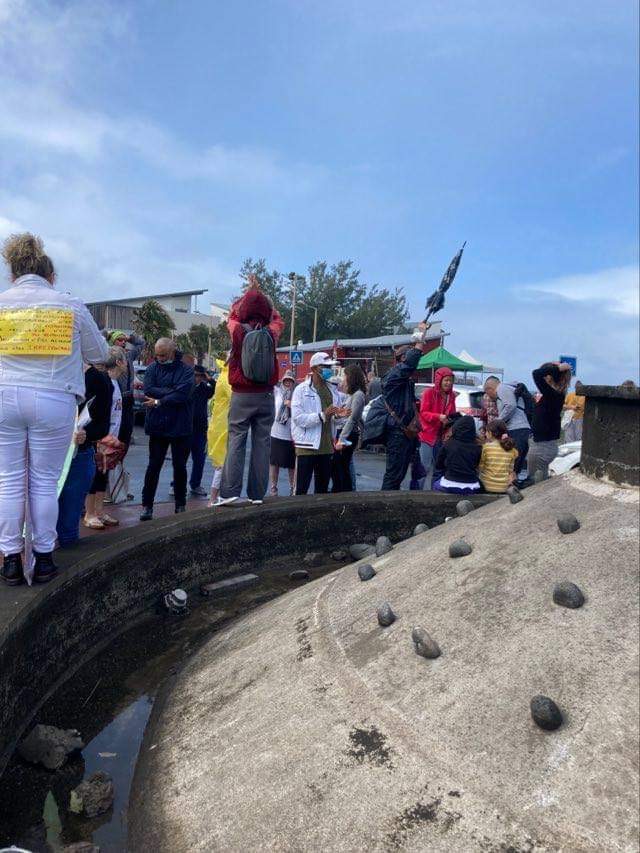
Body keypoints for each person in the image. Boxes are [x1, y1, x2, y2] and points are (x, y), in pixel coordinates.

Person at [0, 233, 108, 586]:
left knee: (9, 480)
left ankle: (10, 559)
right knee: (44, 480)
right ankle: (44, 557)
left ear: (13, 273)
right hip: (53, 396)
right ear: (50, 276)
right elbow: (100, 354)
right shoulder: (69, 304)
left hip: (4, 395)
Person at [217, 278, 284, 506]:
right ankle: (257, 494)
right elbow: (277, 318)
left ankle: (229, 492)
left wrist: (247, 295)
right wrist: (263, 299)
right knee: (262, 443)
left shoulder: (237, 329)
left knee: (236, 439)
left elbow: (232, 315)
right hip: (266, 394)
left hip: (242, 393)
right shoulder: (272, 332)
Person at [56, 362, 113, 547]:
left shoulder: (98, 380)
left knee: (69, 517)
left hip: (78, 453)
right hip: (47, 454)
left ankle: (66, 550)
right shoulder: (49, 370)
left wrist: (86, 434)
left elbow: (103, 425)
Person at [139, 338, 194, 520]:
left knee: (180, 467)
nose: (160, 358)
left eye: (163, 355)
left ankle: (180, 504)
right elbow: (148, 389)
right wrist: (171, 391)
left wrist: (159, 399)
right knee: (154, 466)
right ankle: (147, 506)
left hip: (180, 426)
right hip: (158, 425)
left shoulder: (186, 370)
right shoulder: (152, 369)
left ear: (172, 351)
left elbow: (183, 394)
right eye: (157, 355)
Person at [379, 326, 430, 490]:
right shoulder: (394, 376)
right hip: (397, 433)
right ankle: (385, 502)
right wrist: (420, 338)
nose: (416, 362)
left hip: (405, 433)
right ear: (402, 358)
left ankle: (390, 500)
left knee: (399, 474)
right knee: (394, 475)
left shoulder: (402, 378)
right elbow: (410, 363)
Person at [291, 352, 348, 494]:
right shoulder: (301, 390)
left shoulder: (332, 390)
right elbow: (298, 418)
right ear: (314, 368)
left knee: (322, 490)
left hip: (327, 447)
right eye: (325, 367)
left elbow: (333, 418)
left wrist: (339, 416)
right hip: (306, 446)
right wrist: (322, 415)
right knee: (301, 490)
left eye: (330, 367)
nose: (329, 370)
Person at [83, 348, 127, 529]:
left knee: (103, 475)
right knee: (94, 475)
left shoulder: (115, 382)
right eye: (125, 360)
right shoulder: (102, 380)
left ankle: (99, 510)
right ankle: (89, 513)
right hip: (99, 437)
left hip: (111, 436)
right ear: (119, 362)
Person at [527, 361, 572, 481]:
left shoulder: (552, 395)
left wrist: (557, 368)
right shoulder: (555, 395)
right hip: (545, 445)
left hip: (541, 447)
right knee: (539, 481)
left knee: (534, 484)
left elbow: (536, 374)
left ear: (549, 377)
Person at [483, 377, 531, 482]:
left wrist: (498, 421)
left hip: (517, 428)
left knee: (514, 458)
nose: (490, 397)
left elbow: (511, 405)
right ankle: (513, 482)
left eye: (487, 394)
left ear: (489, 389)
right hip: (521, 428)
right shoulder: (509, 388)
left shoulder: (501, 388)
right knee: (517, 459)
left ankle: (511, 483)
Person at [418, 367, 457, 490]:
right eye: (446, 380)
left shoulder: (452, 396)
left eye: (450, 380)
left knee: (438, 468)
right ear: (439, 380)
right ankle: (416, 493)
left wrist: (451, 421)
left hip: (441, 437)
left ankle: (435, 492)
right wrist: (438, 417)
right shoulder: (429, 393)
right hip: (427, 435)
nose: (448, 383)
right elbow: (423, 413)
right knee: (424, 467)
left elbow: (452, 413)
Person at [331, 364, 366, 492]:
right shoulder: (353, 395)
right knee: (339, 465)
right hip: (345, 432)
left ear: (351, 377)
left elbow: (352, 419)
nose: (343, 378)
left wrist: (341, 439)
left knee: (341, 465)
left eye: (345, 375)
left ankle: (344, 492)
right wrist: (337, 415)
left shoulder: (358, 395)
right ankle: (341, 490)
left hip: (348, 434)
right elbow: (343, 415)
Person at [108, 330, 145, 446]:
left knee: (126, 431)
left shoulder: (128, 356)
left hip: (128, 398)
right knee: (114, 429)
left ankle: (121, 454)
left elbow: (141, 344)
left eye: (124, 340)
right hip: (114, 396)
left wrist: (129, 338)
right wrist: (107, 335)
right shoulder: (107, 356)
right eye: (120, 340)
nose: (123, 342)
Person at [432, 415, 482, 494]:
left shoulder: (449, 444)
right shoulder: (477, 447)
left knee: (435, 484)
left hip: (450, 483)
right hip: (471, 485)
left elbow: (439, 465)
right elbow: (476, 465)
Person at [207, 357, 231, 505]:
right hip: (224, 426)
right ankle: (213, 498)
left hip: (219, 425)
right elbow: (235, 397)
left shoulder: (223, 374)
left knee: (221, 465)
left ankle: (217, 497)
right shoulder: (227, 377)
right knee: (222, 465)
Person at [189, 365, 215, 497]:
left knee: (199, 459)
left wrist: (210, 379)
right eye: (195, 375)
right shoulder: (186, 387)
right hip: (186, 428)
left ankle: (195, 484)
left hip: (200, 429)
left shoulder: (205, 388)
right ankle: (175, 484)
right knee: (180, 460)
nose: (197, 378)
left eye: (200, 376)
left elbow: (216, 389)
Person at [269, 370, 297, 496]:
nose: (288, 383)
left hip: (291, 434)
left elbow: (300, 411)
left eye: (290, 381)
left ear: (293, 382)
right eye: (286, 380)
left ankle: (292, 487)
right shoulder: (277, 392)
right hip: (276, 432)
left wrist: (292, 405)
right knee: (274, 463)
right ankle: (273, 487)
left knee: (291, 464)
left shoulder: (296, 395)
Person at [478, 419, 519, 493]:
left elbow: (481, 467)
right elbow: (510, 470)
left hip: (487, 486)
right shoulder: (512, 450)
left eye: (486, 431)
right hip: (504, 488)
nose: (485, 434)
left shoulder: (486, 447)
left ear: (490, 433)